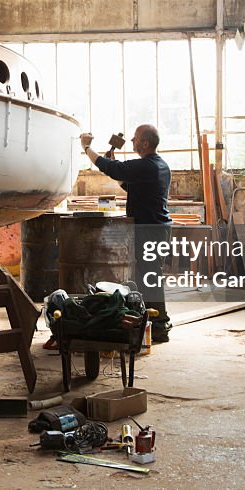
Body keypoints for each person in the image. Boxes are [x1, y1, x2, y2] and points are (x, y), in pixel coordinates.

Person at [80, 125, 173, 342]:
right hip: (157, 227)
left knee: (150, 277)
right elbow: (132, 187)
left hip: (150, 228)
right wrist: (116, 170)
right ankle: (152, 322)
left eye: (135, 139)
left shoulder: (147, 166)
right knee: (148, 275)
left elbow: (111, 168)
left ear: (145, 143)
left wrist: (87, 148)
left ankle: (159, 325)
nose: (131, 141)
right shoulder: (159, 165)